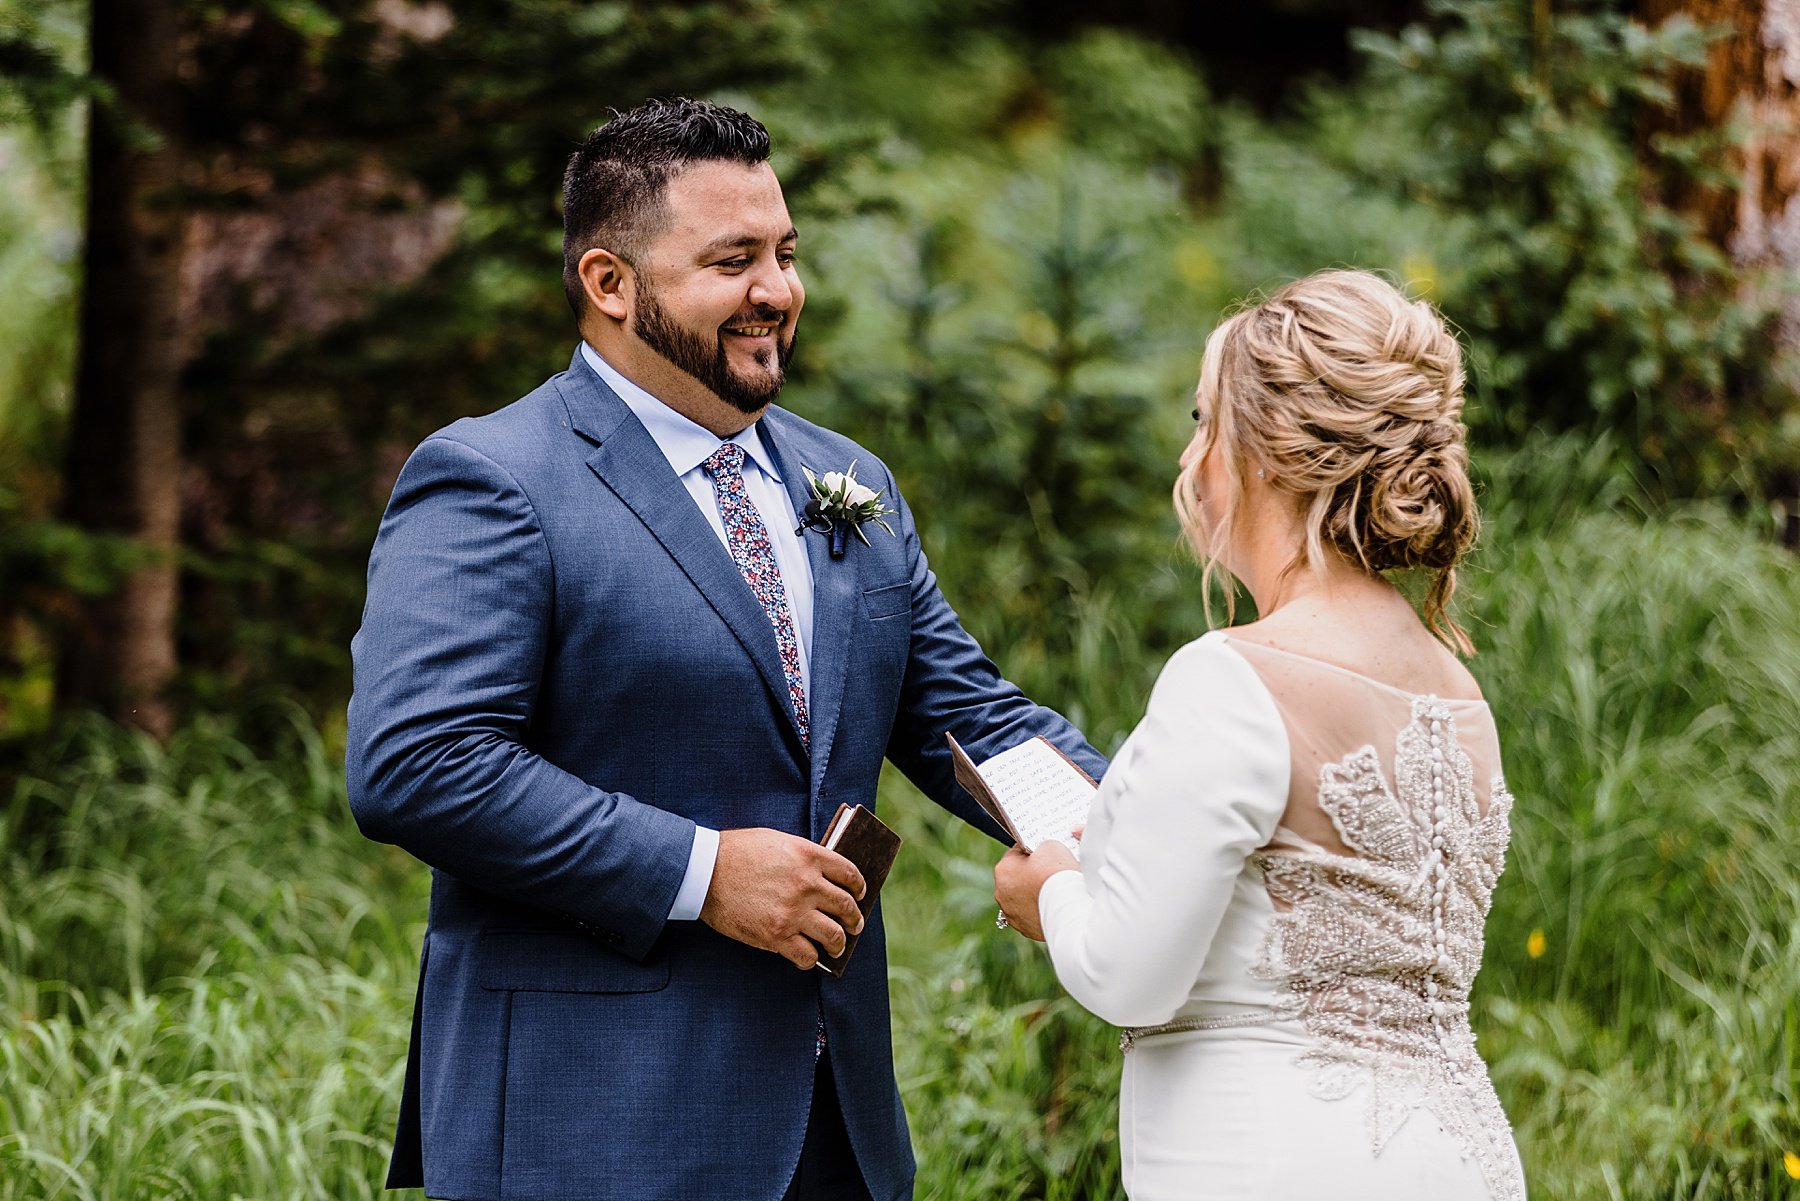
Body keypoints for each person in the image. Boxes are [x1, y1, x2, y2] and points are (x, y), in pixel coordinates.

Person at [345, 97, 1104, 1201]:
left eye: (787, 253)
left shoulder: (851, 483)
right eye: (734, 260)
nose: (779, 291)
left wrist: (1167, 819)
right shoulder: (495, 479)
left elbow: (975, 723)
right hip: (593, 1127)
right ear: (610, 284)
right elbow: (419, 764)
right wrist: (702, 874)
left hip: (832, 1130)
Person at [994, 269, 1526, 1200]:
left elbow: (1129, 976)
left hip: (1268, 1157)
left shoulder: (1230, 676)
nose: (1194, 456)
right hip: (1466, 1158)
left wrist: (1056, 895)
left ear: (1269, 454)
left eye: (1207, 422)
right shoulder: (1460, 692)